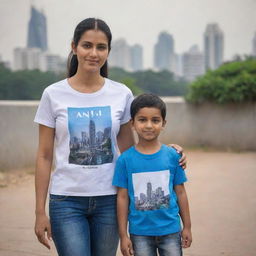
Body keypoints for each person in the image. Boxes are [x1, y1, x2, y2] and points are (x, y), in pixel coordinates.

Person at [34, 18, 187, 256]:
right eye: (87, 45)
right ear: (74, 47)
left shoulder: (121, 93)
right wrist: (39, 212)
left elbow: (131, 150)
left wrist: (168, 153)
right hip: (66, 201)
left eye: (101, 47)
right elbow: (44, 156)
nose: (93, 53)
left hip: (110, 199)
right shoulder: (53, 94)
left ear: (108, 51)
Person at [113, 93, 192, 256]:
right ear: (132, 123)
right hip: (139, 233)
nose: (149, 125)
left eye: (155, 120)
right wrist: (123, 235)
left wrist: (188, 227)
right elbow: (122, 197)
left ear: (163, 123)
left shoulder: (172, 156)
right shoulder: (125, 160)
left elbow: (181, 192)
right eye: (142, 120)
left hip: (171, 230)